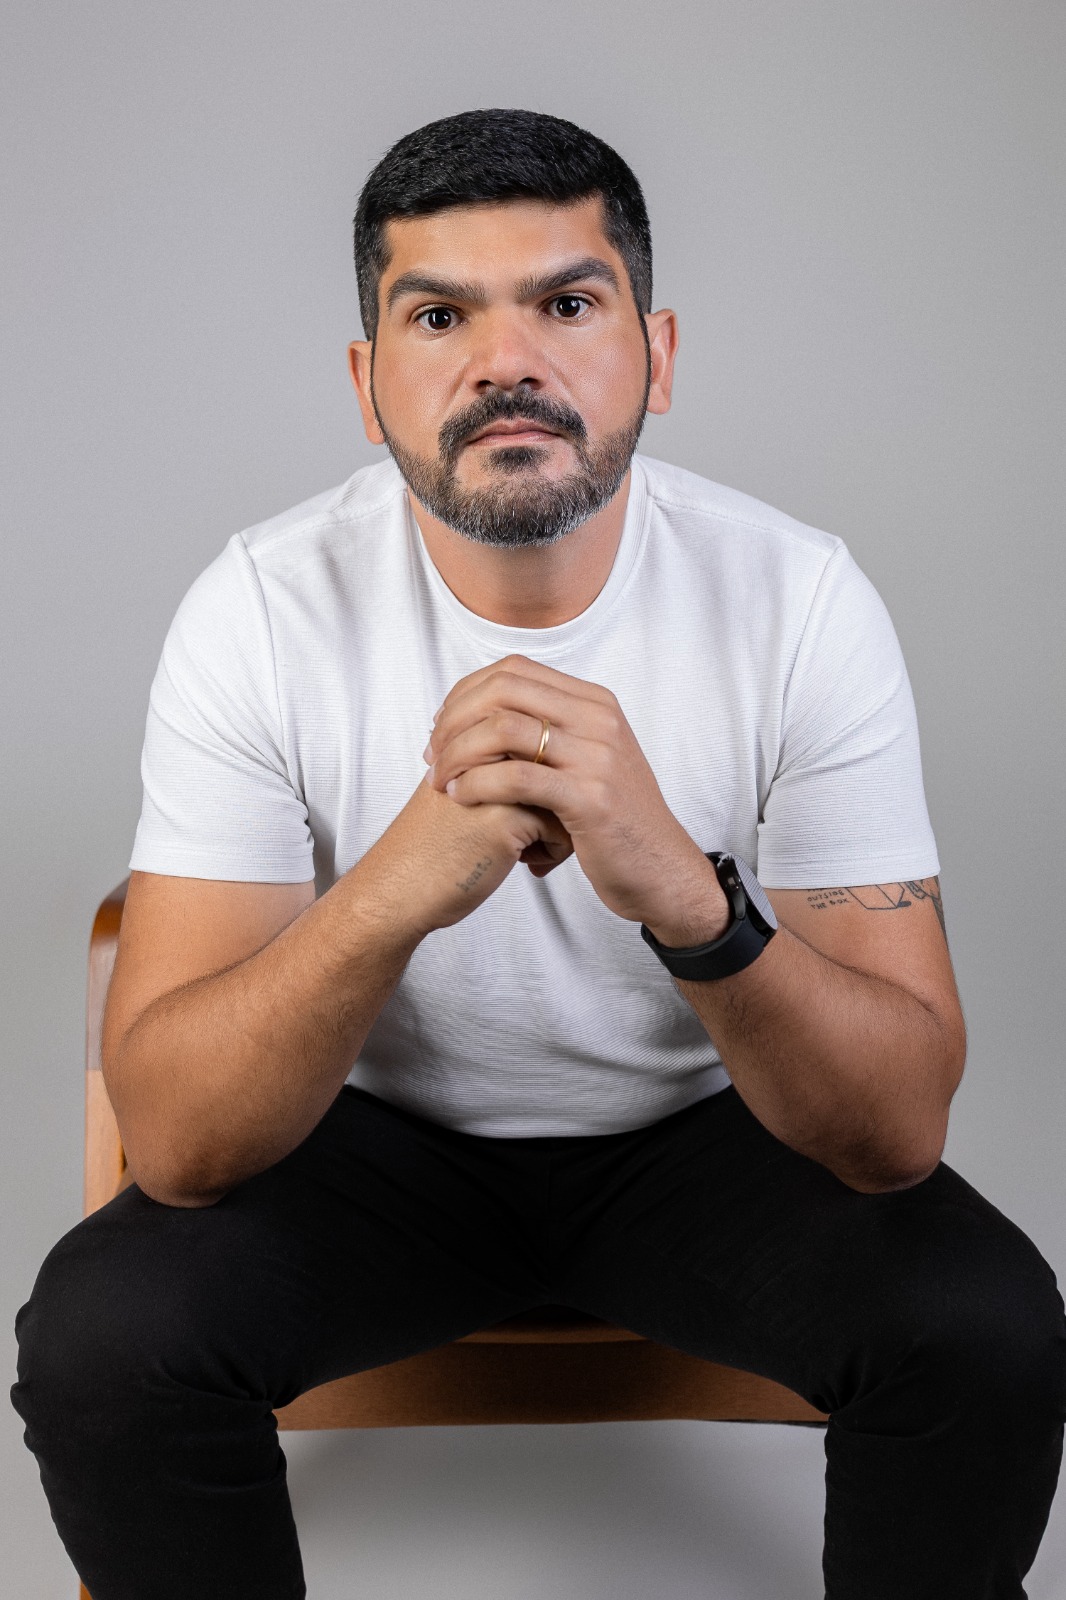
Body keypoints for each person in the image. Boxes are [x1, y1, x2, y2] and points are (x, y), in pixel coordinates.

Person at [11, 107, 1065, 1600]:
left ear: (657, 353)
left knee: (986, 1328)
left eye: (567, 304)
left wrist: (687, 898)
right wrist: (396, 889)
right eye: (439, 316)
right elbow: (178, 1142)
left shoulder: (799, 599)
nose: (507, 362)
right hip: (367, 1142)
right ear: (368, 383)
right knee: (105, 1340)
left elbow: (895, 1127)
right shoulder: (258, 608)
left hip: (707, 1137)